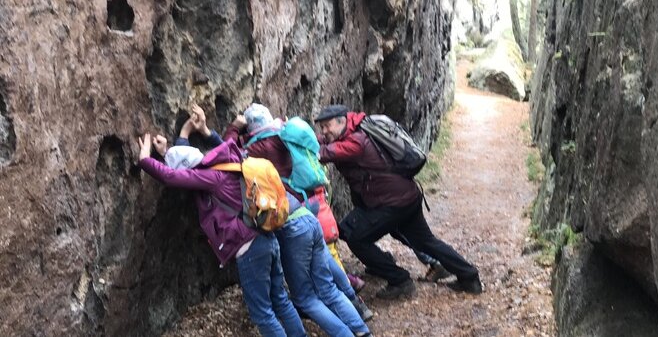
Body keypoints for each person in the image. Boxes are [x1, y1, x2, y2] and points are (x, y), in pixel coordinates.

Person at [136, 108, 306, 337]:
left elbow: (172, 176)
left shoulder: (210, 179)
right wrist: (181, 136)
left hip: (251, 250)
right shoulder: (229, 163)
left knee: (262, 313)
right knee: (281, 301)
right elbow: (186, 159)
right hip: (267, 238)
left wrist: (145, 159)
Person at [223, 104, 374, 330]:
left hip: (290, 219)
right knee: (326, 273)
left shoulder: (260, 146)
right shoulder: (283, 133)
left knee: (305, 297)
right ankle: (359, 319)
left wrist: (234, 128)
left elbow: (226, 152)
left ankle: (345, 330)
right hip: (308, 207)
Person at [314, 104, 484, 299]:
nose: (324, 132)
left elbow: (324, 153)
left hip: (391, 203)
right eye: (322, 128)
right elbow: (322, 143)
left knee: (355, 237)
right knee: (426, 242)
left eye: (327, 126)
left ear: (342, 121)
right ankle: (469, 276)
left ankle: (399, 280)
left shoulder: (355, 143)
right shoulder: (358, 127)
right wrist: (302, 137)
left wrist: (297, 143)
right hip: (405, 196)